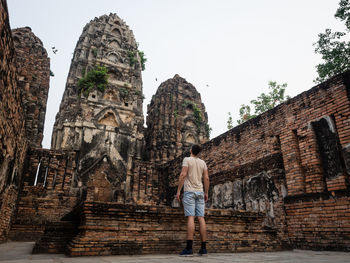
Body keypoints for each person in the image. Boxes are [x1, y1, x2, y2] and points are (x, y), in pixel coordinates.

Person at [176, 144, 209, 256]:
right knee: (201, 218)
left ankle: (189, 248)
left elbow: (183, 174)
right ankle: (203, 248)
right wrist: (206, 192)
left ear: (190, 150)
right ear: (199, 152)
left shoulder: (187, 159)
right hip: (200, 191)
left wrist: (179, 190)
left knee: (191, 217)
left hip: (189, 191)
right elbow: (206, 178)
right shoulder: (203, 163)